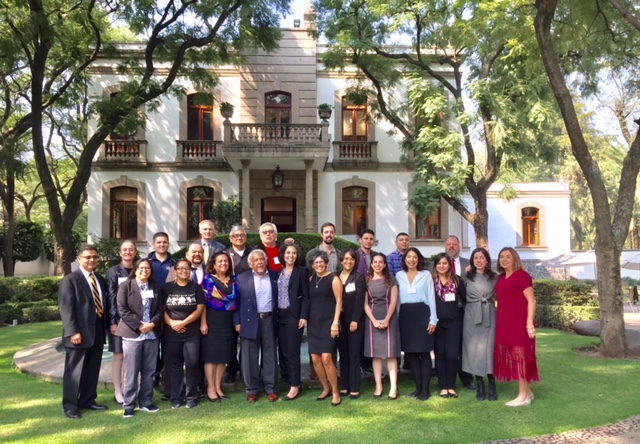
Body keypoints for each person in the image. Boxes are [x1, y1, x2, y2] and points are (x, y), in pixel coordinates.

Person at [58, 244, 109, 419]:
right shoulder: (70, 280)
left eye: (95, 257)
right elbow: (66, 309)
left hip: (97, 333)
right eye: (88, 257)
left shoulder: (100, 279)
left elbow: (103, 305)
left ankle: (88, 400)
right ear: (79, 259)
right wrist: (73, 332)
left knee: (92, 369)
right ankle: (71, 406)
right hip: (78, 334)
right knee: (74, 372)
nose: (92, 260)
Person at [116, 258, 163, 418]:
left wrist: (152, 324)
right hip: (132, 336)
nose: (145, 270)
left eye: (148, 268)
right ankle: (129, 405)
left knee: (149, 371)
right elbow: (122, 309)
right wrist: (139, 325)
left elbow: (161, 310)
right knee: (131, 372)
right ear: (135, 270)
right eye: (141, 268)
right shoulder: (125, 286)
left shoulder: (156, 287)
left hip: (151, 335)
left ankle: (146, 402)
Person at [494, 247, 539, 407]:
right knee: (516, 358)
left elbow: (532, 301)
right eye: (501, 257)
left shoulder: (522, 276)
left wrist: (529, 324)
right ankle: (528, 392)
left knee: (521, 358)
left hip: (521, 323)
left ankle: (523, 397)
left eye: (508, 257)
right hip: (505, 323)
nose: (504, 259)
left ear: (515, 259)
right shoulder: (501, 277)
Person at [234, 249, 280, 402]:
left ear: (266, 261)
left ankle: (271, 388)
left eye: (262, 259)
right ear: (251, 264)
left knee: (270, 354)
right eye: (256, 260)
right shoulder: (241, 278)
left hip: (269, 319)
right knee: (249, 356)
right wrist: (237, 322)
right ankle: (252, 390)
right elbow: (236, 303)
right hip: (249, 320)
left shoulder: (275, 276)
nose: (260, 262)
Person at [162, 258, 205, 409]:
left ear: (190, 271)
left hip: (192, 332)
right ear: (175, 271)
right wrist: (172, 323)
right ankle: (176, 397)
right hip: (172, 332)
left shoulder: (196, 288)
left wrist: (183, 323)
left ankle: (191, 396)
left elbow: (199, 309)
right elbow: (162, 309)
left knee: (192, 363)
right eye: (180, 268)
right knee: (175, 365)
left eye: (187, 268)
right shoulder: (167, 288)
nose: (184, 271)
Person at [396, 247, 438, 401]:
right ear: (404, 259)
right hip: (406, 316)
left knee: (424, 352)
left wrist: (433, 319)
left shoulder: (426, 275)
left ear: (419, 259)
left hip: (422, 314)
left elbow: (431, 296)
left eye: (414, 257)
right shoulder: (399, 275)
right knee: (411, 354)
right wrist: (397, 318)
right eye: (409, 257)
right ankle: (418, 388)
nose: (411, 260)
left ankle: (425, 390)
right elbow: (397, 300)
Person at [303, 250, 343, 406]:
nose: (318, 265)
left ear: (326, 263)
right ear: (312, 265)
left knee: (327, 358)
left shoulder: (334, 278)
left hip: (328, 323)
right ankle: (325, 388)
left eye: (321, 262)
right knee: (315, 359)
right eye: (315, 263)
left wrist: (335, 323)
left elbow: (339, 302)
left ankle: (335, 391)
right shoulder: (311, 279)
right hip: (314, 323)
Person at [200, 251, 238, 403]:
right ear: (213, 264)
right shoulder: (207, 280)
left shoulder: (234, 280)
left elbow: (237, 301)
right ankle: (210, 388)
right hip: (212, 321)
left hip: (228, 321)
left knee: (223, 356)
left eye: (226, 261)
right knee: (211, 357)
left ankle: (218, 386)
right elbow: (201, 304)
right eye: (220, 261)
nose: (223, 263)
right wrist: (203, 322)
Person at [462, 247, 499, 401]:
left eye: (482, 258)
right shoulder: (466, 277)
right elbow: (460, 296)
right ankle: (479, 383)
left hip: (489, 315)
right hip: (471, 315)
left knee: (489, 349)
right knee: (474, 350)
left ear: (487, 260)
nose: (479, 260)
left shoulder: (494, 277)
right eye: (476, 258)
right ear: (472, 260)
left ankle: (491, 383)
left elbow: (501, 295)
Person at [364, 253, 400, 400]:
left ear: (385, 264)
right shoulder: (366, 281)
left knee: (391, 354)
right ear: (371, 264)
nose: (378, 264)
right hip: (371, 318)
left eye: (381, 262)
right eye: (375, 262)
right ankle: (378, 385)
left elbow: (393, 302)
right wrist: (373, 320)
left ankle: (393, 387)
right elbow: (365, 304)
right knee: (376, 354)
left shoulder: (391, 280)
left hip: (389, 318)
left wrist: (386, 320)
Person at [276, 243, 309, 401]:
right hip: (279, 315)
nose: (291, 256)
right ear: (283, 255)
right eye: (288, 253)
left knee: (293, 352)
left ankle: (295, 386)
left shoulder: (302, 271)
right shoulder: (279, 272)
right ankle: (289, 380)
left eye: (294, 253)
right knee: (284, 351)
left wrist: (303, 316)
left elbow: (306, 296)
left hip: (294, 315)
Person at [105, 240, 137, 405]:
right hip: (118, 320)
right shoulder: (113, 271)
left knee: (131, 356)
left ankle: (128, 389)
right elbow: (110, 297)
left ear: (135, 252)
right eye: (124, 250)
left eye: (131, 249)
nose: (128, 252)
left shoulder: (139, 268)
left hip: (136, 321)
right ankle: (118, 391)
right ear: (120, 252)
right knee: (119, 355)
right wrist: (112, 321)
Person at [432, 252, 466, 399]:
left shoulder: (457, 280)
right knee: (440, 355)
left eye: (444, 263)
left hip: (454, 322)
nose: (442, 266)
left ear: (449, 265)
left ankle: (451, 386)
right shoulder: (431, 281)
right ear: (435, 265)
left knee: (453, 355)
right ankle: (443, 386)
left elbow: (465, 300)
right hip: (437, 323)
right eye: (439, 263)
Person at [445, 235, 475, 390]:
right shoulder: (436, 264)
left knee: (464, 345)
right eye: (449, 244)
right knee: (447, 347)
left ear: (459, 246)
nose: (451, 246)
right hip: (443, 311)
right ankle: (445, 377)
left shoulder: (468, 264)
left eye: (454, 244)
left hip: (463, 310)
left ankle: (466, 377)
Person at [336, 248, 366, 399]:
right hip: (339, 321)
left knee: (354, 354)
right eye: (346, 258)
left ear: (355, 261)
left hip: (354, 321)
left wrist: (355, 320)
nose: (348, 261)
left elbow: (360, 300)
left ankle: (354, 386)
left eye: (352, 259)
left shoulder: (358, 278)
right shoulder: (336, 276)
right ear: (341, 260)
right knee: (344, 354)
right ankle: (345, 386)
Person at [225, 225, 251, 383]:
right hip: (231, 303)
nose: (239, 238)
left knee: (248, 338)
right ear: (230, 238)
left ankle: (246, 369)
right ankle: (232, 368)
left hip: (249, 301)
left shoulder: (252, 253)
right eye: (235, 235)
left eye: (242, 235)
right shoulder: (225, 255)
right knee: (230, 340)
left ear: (246, 237)